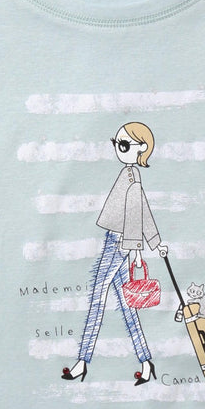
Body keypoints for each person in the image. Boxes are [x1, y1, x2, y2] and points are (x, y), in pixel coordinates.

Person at [61, 121, 168, 385]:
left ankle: (82, 362)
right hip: (120, 241)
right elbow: (143, 211)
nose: (119, 149)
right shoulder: (130, 174)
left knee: (97, 297)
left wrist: (134, 250)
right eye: (117, 143)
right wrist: (155, 242)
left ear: (141, 147)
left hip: (118, 242)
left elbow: (135, 215)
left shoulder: (131, 177)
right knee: (127, 306)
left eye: (124, 144)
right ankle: (146, 363)